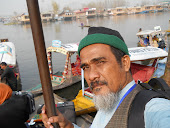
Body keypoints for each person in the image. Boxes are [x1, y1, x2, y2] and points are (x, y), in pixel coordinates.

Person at [42, 27, 170, 128]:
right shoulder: (107, 101)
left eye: (100, 62)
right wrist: (68, 126)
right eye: (86, 67)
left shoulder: (153, 109)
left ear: (125, 63)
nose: (91, 76)